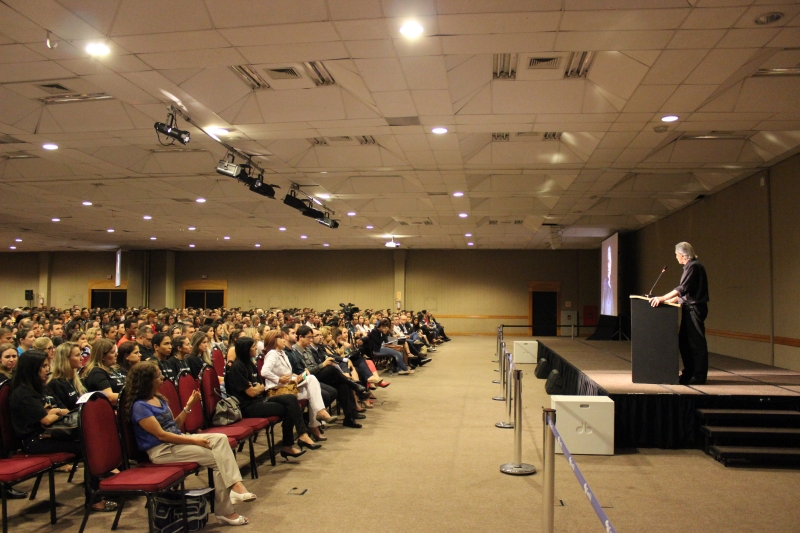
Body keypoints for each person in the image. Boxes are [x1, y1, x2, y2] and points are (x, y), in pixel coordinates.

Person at [124, 362, 254, 526]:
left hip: (177, 441)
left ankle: (234, 486)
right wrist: (194, 439)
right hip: (161, 450)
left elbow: (174, 426)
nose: (162, 377)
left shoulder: (158, 399)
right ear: (147, 380)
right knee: (219, 460)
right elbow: (162, 435)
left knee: (220, 439)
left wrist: (188, 406)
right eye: (158, 376)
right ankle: (227, 509)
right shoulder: (139, 407)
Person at [10, 350, 115, 511]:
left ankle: (107, 485)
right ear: (32, 369)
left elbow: (63, 410)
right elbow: (45, 420)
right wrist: (53, 412)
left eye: (47, 365)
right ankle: (94, 499)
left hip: (50, 433)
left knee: (92, 438)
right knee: (89, 449)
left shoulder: (41, 387)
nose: (47, 369)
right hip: (35, 440)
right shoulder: (23, 393)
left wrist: (53, 411)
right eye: (43, 366)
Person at [225, 336, 319, 458]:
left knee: (290, 398)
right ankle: (289, 444)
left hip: (259, 399)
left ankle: (301, 435)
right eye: (253, 347)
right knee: (289, 409)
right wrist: (256, 388)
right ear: (246, 350)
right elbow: (251, 393)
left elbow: (261, 387)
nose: (255, 349)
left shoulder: (250, 364)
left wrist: (256, 388)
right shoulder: (237, 367)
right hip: (247, 406)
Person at [651, 242, 710, 385]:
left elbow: (682, 288)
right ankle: (688, 372)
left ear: (682, 254)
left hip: (694, 309)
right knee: (684, 342)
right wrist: (668, 300)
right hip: (688, 308)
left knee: (696, 343)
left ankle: (699, 376)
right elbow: (685, 292)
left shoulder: (694, 266)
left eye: (676, 254)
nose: (676, 257)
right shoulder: (690, 267)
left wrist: (663, 298)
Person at [260, 330, 336, 441]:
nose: (283, 340)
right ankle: (316, 420)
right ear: (274, 341)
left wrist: (296, 378)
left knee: (312, 388)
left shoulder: (282, 353)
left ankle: (316, 419)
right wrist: (278, 379)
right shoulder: (272, 353)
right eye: (281, 338)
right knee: (311, 380)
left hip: (288, 387)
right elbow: (264, 372)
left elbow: (286, 373)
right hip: (277, 390)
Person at [83, 338, 125, 405]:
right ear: (102, 356)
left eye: (116, 351)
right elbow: (109, 397)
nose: (116, 354)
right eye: (112, 352)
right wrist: (133, 397)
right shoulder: (96, 372)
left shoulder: (114, 368)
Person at [47, 342, 87, 411]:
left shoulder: (77, 379)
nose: (82, 358)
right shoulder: (55, 384)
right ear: (66, 359)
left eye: (80, 354)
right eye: (77, 355)